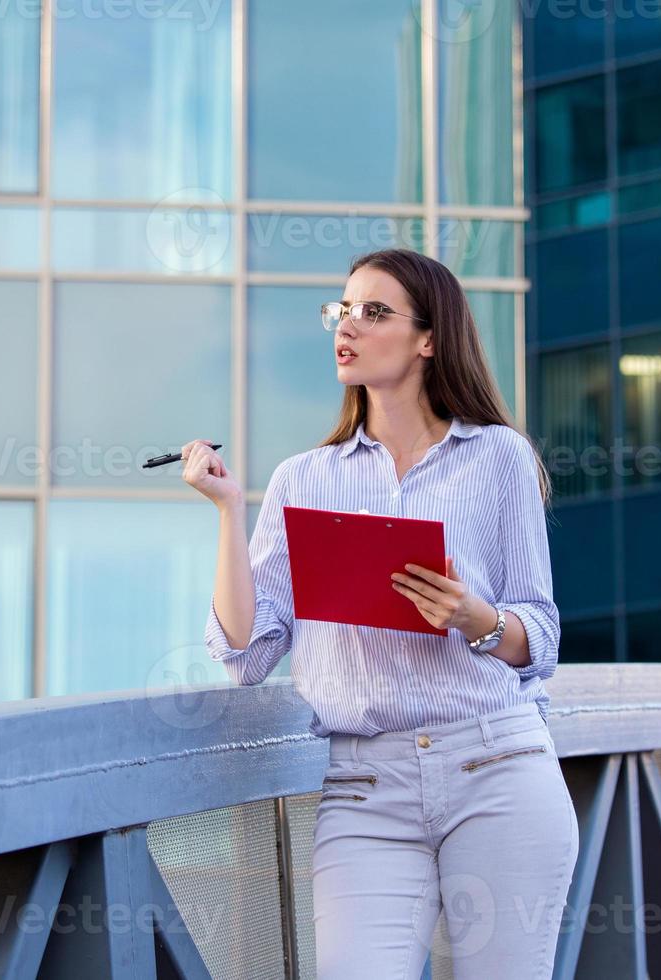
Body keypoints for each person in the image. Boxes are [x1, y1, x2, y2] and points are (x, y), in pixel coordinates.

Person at [181, 247, 580, 978]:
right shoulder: (303, 479)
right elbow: (247, 651)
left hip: (497, 765)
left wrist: (476, 619)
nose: (347, 326)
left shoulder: (499, 458)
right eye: (342, 310)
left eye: (373, 312)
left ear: (429, 338)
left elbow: (541, 637)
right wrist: (229, 512)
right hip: (365, 789)